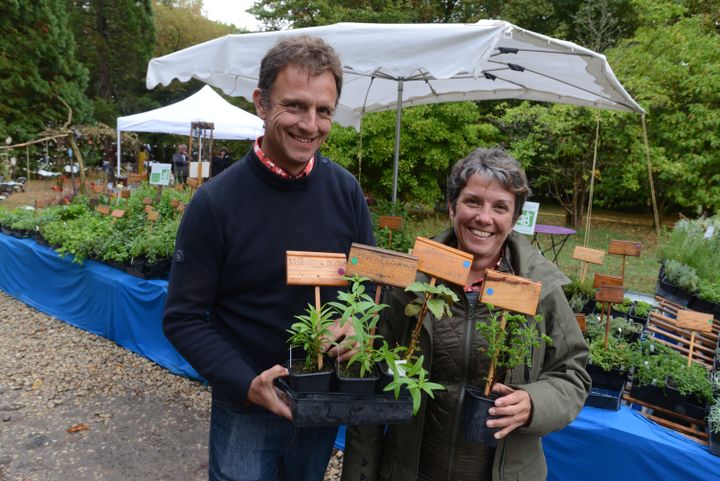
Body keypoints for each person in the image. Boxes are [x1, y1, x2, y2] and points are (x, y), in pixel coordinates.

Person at [163, 36, 375, 481]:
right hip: (247, 406)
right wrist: (245, 384)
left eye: (324, 111)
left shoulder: (345, 192)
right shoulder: (217, 203)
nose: (310, 125)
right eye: (295, 106)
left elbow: (368, 284)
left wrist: (357, 323)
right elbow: (183, 317)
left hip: (322, 397)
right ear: (261, 103)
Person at [341, 148, 590, 481]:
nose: (484, 218)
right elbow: (370, 386)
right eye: (472, 201)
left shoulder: (539, 286)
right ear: (451, 206)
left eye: (500, 207)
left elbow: (572, 372)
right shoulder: (414, 281)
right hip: (410, 470)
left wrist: (535, 403)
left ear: (514, 220)